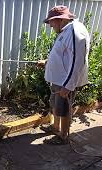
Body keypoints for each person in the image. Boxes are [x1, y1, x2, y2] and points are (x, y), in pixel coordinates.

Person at [37, 5, 90, 144]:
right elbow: (63, 54)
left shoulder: (74, 32)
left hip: (64, 81)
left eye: (51, 22)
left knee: (65, 109)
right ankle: (55, 127)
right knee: (56, 106)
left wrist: (68, 86)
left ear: (60, 19)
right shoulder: (65, 30)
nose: (50, 25)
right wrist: (47, 62)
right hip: (59, 80)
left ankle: (63, 136)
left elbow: (78, 62)